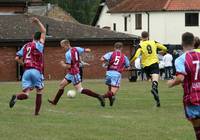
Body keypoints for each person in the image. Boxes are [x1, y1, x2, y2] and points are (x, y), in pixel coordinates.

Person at [48, 39, 105, 107]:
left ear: (67, 45)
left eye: (63, 47)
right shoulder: (76, 48)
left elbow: (69, 66)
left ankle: (99, 96)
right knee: (61, 85)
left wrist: (63, 64)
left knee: (80, 90)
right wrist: (86, 53)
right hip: (71, 73)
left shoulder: (68, 54)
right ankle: (54, 102)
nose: (62, 48)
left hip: (74, 73)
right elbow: (87, 50)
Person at [9, 17, 46, 115]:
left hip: (26, 72)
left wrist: (23, 64)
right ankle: (36, 114)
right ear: (40, 38)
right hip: (36, 70)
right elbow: (44, 31)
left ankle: (17, 96)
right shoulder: (39, 44)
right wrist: (38, 22)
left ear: (33, 37)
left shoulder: (26, 45)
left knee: (26, 94)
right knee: (39, 91)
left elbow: (16, 58)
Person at [130, 31, 167, 107]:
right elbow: (165, 48)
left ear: (141, 37)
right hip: (154, 63)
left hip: (145, 66)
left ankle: (157, 101)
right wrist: (162, 52)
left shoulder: (140, 45)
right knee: (155, 80)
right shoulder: (153, 42)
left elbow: (136, 56)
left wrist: (130, 62)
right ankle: (154, 87)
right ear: (148, 36)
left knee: (152, 81)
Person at [100, 42, 130, 106]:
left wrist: (107, 62)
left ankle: (111, 100)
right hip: (116, 74)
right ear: (121, 48)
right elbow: (128, 66)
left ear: (114, 47)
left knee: (110, 88)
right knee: (113, 91)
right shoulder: (124, 56)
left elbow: (102, 59)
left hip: (108, 73)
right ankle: (102, 96)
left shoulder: (110, 53)